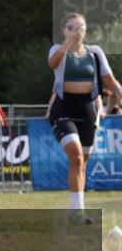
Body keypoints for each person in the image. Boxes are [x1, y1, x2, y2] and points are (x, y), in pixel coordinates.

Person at [47, 13, 121, 224]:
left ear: (86, 30)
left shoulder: (95, 52)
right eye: (71, 27)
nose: (76, 30)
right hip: (63, 109)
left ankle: (75, 210)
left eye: (80, 27)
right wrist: (68, 42)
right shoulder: (57, 50)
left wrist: (119, 90)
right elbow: (53, 64)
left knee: (82, 163)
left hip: (87, 110)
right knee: (77, 157)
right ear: (64, 30)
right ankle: (77, 212)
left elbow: (109, 79)